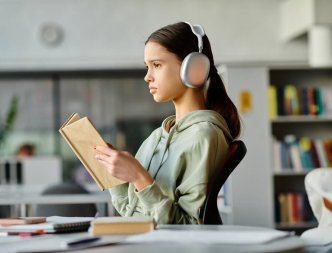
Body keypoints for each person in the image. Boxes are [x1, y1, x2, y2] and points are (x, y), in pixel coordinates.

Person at [94, 21, 241, 224]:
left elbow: (188, 227)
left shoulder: (204, 136)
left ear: (194, 68)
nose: (147, 77)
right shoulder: (156, 137)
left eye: (157, 65)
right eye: (147, 67)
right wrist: (113, 176)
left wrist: (139, 178)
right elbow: (131, 213)